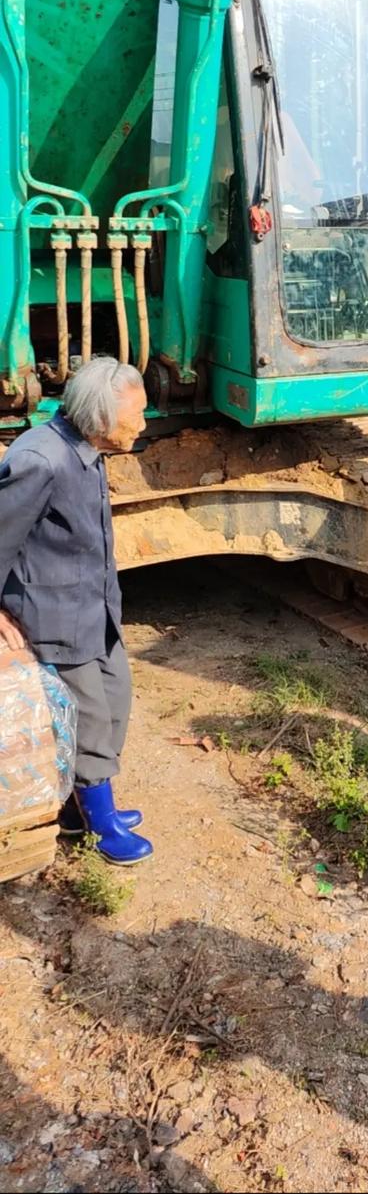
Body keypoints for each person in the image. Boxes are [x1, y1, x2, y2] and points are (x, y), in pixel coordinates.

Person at [0, 357, 152, 862]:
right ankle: (101, 826)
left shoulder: (87, 447)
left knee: (115, 698)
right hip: (57, 614)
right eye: (137, 417)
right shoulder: (40, 460)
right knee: (89, 719)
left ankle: (80, 807)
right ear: (102, 419)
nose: (144, 425)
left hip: (95, 608)